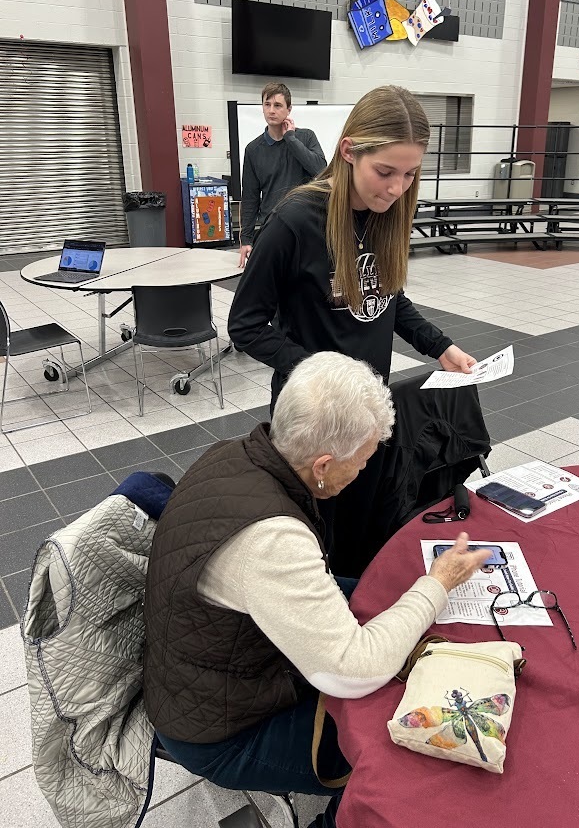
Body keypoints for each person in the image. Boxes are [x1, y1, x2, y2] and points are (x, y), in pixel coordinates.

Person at [143, 353, 491, 828]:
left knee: (378, 607)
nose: (365, 472)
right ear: (324, 464)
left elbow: (313, 588)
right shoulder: (271, 539)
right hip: (221, 730)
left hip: (208, 674)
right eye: (364, 461)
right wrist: (436, 586)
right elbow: (351, 671)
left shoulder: (236, 454)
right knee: (408, 749)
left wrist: (407, 596)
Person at [228, 84, 476, 404]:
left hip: (369, 404)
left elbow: (386, 297)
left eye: (410, 174)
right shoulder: (293, 221)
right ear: (349, 151)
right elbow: (245, 326)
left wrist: (440, 346)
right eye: (384, 172)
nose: (396, 189)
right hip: (312, 409)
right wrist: (320, 373)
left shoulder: (385, 212)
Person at [239, 81, 327, 267]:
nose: (271, 110)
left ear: (289, 110)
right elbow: (250, 197)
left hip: (305, 224)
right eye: (267, 104)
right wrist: (246, 239)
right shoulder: (253, 150)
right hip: (271, 227)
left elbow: (320, 169)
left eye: (278, 105)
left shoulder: (306, 137)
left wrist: (291, 139)